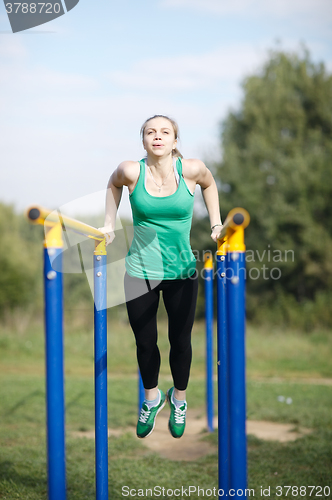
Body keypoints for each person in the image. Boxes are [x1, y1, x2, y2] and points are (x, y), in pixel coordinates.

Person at [99, 115, 222, 439]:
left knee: (180, 342)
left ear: (175, 141)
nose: (158, 137)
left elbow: (210, 184)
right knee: (145, 342)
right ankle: (151, 398)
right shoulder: (131, 171)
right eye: (151, 132)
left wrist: (216, 224)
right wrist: (109, 224)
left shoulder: (191, 170)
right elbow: (112, 184)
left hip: (180, 271)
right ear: (143, 141)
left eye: (165, 132)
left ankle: (178, 399)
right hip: (140, 271)